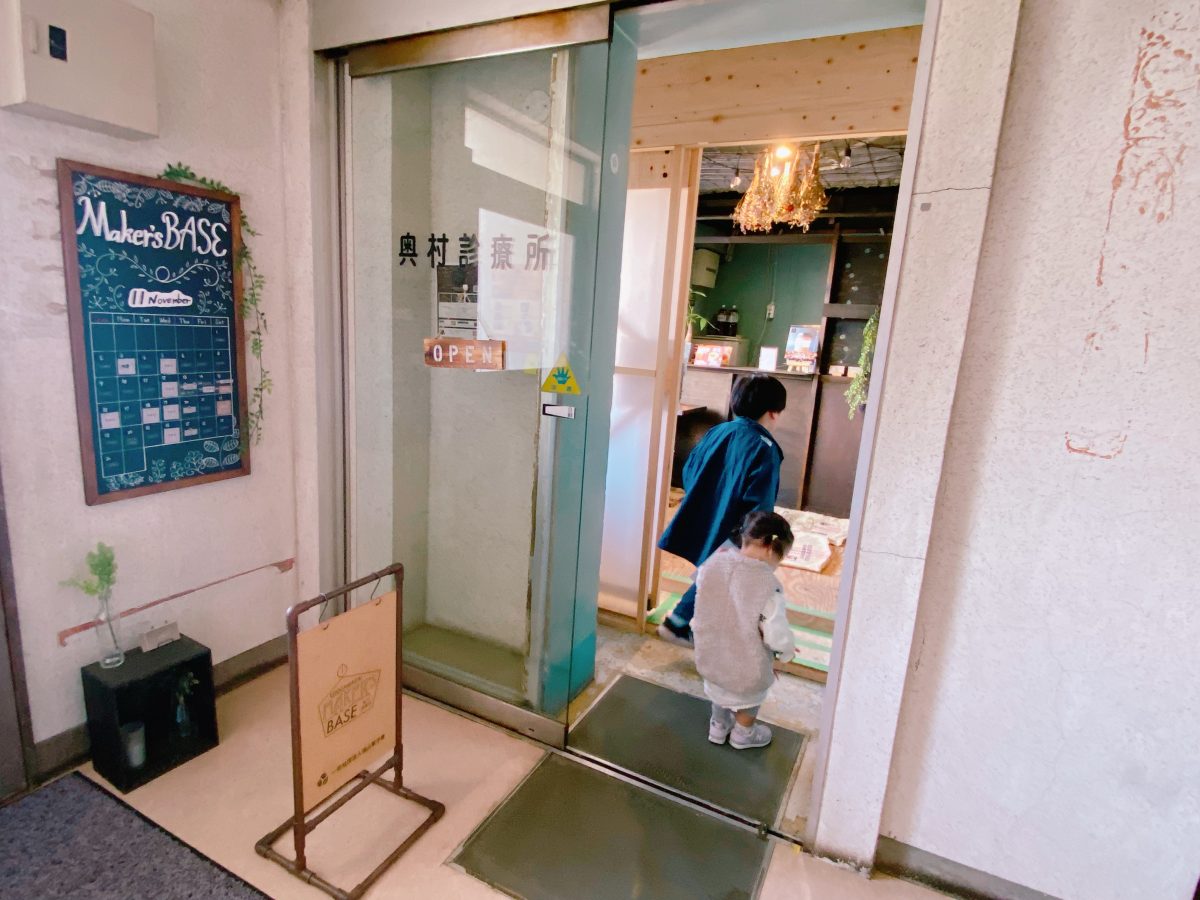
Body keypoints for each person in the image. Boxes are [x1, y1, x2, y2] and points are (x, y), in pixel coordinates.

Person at [657, 374, 786, 645]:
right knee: (717, 575)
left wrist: (702, 498)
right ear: (773, 412)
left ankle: (685, 623)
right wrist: (758, 538)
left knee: (711, 571)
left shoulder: (718, 431)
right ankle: (678, 623)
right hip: (735, 530)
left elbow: (690, 468)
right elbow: (761, 502)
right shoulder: (765, 448)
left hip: (703, 515)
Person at [692, 511, 796, 750]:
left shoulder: (712, 563)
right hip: (745, 664)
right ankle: (743, 733)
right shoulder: (768, 586)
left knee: (719, 689)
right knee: (749, 696)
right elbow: (775, 631)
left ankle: (718, 726)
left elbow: (701, 598)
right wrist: (786, 651)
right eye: (781, 557)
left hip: (711, 655)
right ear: (770, 548)